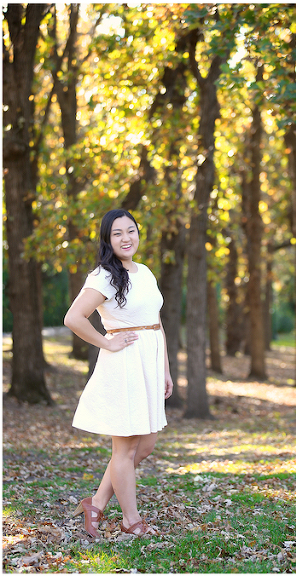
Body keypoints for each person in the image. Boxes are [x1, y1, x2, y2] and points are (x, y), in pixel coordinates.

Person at [64, 208, 173, 538]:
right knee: (124, 449)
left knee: (145, 445)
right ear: (107, 240)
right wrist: (106, 343)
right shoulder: (104, 276)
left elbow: (156, 322)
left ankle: (95, 503)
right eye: (117, 233)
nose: (126, 238)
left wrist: (165, 370)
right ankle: (130, 520)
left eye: (131, 231)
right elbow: (74, 318)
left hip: (150, 364)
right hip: (125, 365)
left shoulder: (145, 272)